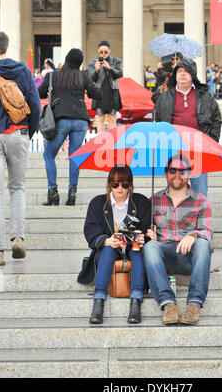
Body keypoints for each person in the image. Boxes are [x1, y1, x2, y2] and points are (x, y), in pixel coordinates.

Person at [143, 154, 212, 325]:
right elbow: (146, 231)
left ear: (189, 174)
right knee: (150, 247)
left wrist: (192, 235)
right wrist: (149, 236)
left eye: (182, 171)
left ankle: (194, 304)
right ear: (166, 174)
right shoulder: (154, 200)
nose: (177, 174)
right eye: (172, 170)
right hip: (164, 257)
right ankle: (168, 303)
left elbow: (207, 231)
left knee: (203, 243)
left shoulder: (201, 201)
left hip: (188, 257)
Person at [82, 165, 151, 324]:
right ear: (109, 184)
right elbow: (90, 230)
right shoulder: (98, 203)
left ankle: (136, 300)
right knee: (107, 249)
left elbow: (147, 229)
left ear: (131, 185)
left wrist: (142, 239)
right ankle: (98, 300)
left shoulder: (141, 202)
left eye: (125, 184)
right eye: (115, 184)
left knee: (136, 249)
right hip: (109, 248)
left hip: (132, 248)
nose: (120, 188)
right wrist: (106, 240)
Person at [38, 48, 102, 207]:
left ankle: (53, 192)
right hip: (80, 120)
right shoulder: (83, 76)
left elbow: (40, 93)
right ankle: (72, 193)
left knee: (49, 155)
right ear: (79, 63)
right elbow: (97, 94)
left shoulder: (54, 75)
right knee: (74, 156)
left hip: (61, 120)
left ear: (66, 59)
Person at [0, 32, 41, 266]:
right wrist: (28, 132)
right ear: (6, 47)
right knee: (18, 188)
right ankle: (17, 238)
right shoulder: (22, 70)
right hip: (17, 133)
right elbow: (35, 105)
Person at [154, 57, 222, 196]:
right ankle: (175, 217)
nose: (182, 74)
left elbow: (216, 119)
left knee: (200, 191)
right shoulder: (165, 97)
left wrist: (211, 141)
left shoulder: (205, 97)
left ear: (193, 75)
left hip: (198, 149)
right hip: (173, 150)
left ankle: (199, 217)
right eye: (179, 71)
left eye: (186, 71)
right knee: (174, 189)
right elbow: (156, 120)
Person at [88, 40, 123, 133]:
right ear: (98, 51)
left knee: (112, 119)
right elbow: (91, 79)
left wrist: (109, 68)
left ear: (110, 51)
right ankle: (101, 143)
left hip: (112, 92)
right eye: (101, 52)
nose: (103, 54)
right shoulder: (93, 62)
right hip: (99, 92)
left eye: (105, 52)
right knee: (100, 118)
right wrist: (96, 70)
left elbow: (120, 74)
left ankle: (113, 143)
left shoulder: (116, 61)